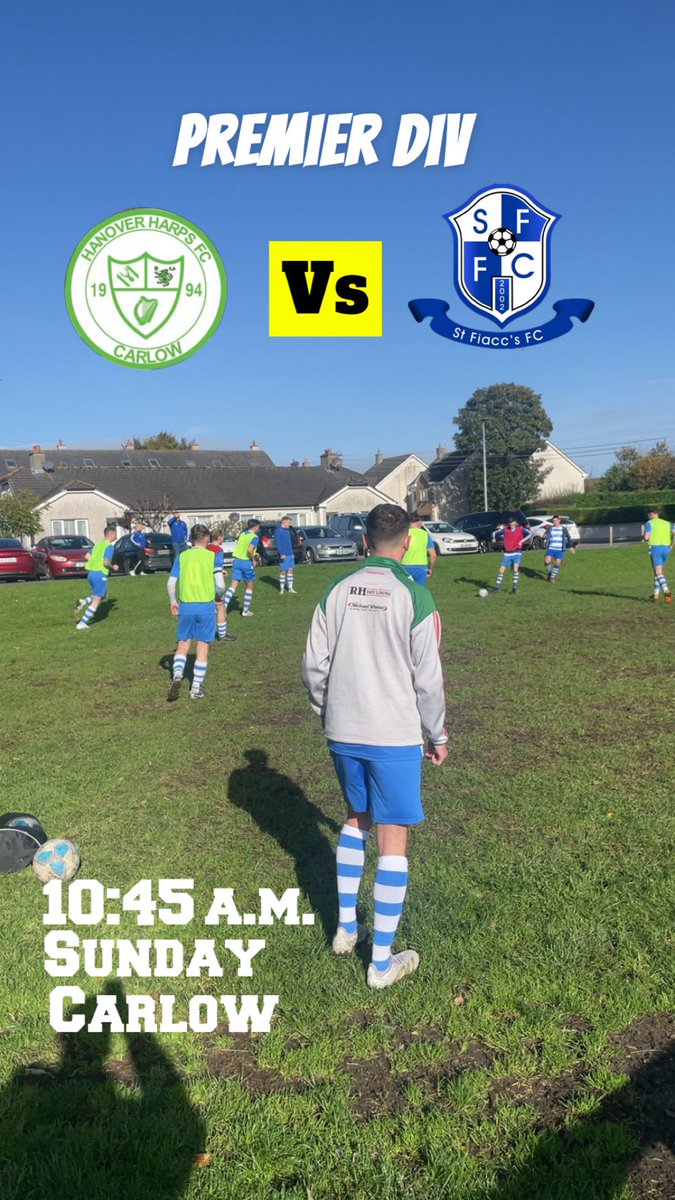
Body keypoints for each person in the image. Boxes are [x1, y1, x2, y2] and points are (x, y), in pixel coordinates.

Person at [302, 503, 448, 990]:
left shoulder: (337, 590)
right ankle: (381, 963)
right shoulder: (416, 597)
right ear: (406, 543)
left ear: (365, 540)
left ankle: (347, 929)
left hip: (343, 730)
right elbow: (428, 679)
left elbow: (312, 665)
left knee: (354, 816)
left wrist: (328, 708)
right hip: (393, 733)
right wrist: (438, 733)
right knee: (392, 835)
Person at [167, 524, 216, 701]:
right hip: (206, 606)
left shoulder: (182, 556)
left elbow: (171, 583)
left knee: (183, 644)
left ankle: (178, 674)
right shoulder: (212, 556)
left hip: (186, 606)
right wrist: (220, 596)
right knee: (202, 647)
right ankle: (195, 689)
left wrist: (173, 602)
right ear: (206, 539)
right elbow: (220, 585)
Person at [74, 526, 119, 629]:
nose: (116, 537)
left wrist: (95, 562)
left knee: (103, 595)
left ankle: (83, 602)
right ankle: (82, 623)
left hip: (91, 574)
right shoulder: (109, 546)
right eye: (115, 535)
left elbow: (87, 556)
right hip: (100, 574)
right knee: (97, 599)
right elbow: (106, 562)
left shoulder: (97, 545)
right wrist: (113, 567)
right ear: (111, 534)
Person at [221, 519, 260, 621]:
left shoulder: (243, 534)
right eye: (258, 527)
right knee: (249, 585)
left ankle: (224, 605)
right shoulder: (255, 537)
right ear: (255, 527)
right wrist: (253, 559)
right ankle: (245, 611)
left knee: (234, 584)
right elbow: (249, 549)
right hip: (246, 562)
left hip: (237, 561)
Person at [206, 528, 237, 642]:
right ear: (219, 537)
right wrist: (220, 572)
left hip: (205, 580)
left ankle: (203, 632)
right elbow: (217, 566)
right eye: (222, 536)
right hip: (215, 580)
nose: (223, 538)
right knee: (220, 606)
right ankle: (222, 635)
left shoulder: (206, 548)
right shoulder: (218, 550)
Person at [492, 515, 531, 593]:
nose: (511, 524)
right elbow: (494, 533)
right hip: (507, 553)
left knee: (515, 568)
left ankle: (514, 588)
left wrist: (521, 541)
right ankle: (497, 587)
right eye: (510, 523)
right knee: (501, 569)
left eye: (512, 522)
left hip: (517, 552)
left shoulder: (520, 529)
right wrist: (493, 538)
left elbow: (530, 533)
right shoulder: (505, 530)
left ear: (515, 523)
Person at [644, 507, 675, 602]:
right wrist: (671, 546)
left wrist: (645, 536)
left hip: (655, 548)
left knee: (658, 572)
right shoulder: (668, 523)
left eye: (648, 514)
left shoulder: (649, 523)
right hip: (666, 549)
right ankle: (656, 594)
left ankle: (666, 591)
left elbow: (646, 537)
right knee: (658, 571)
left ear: (651, 514)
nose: (648, 516)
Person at [402, 511, 436, 587]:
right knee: (419, 592)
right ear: (419, 522)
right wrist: (430, 568)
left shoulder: (403, 534)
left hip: (405, 567)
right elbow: (433, 555)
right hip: (421, 567)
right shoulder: (425, 535)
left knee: (406, 591)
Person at [544, 515, 575, 583]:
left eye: (556, 520)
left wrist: (571, 547)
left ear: (559, 520)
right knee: (547, 561)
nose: (555, 522)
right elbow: (545, 534)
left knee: (558, 562)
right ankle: (549, 573)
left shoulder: (563, 529)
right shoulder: (550, 528)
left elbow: (568, 538)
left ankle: (552, 577)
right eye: (554, 520)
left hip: (560, 549)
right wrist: (545, 535)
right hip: (551, 548)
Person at [274, 516, 296, 594]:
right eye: (289, 522)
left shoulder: (287, 530)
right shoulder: (278, 530)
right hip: (284, 554)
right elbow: (278, 543)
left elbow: (289, 543)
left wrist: (292, 553)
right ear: (284, 521)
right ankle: (282, 589)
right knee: (283, 571)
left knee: (291, 570)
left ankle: (290, 588)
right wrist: (281, 553)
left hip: (290, 554)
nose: (290, 524)